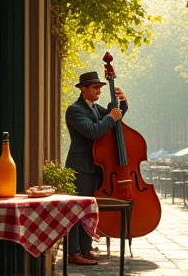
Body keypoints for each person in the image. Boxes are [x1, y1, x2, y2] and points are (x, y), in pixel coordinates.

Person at [65, 71, 128, 265]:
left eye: (100, 87)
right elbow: (94, 130)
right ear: (83, 89)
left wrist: (123, 103)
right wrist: (111, 116)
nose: (99, 90)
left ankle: (86, 249)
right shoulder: (75, 110)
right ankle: (73, 253)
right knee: (76, 211)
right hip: (80, 167)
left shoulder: (93, 107)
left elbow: (113, 116)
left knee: (88, 211)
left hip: (94, 167)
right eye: (95, 87)